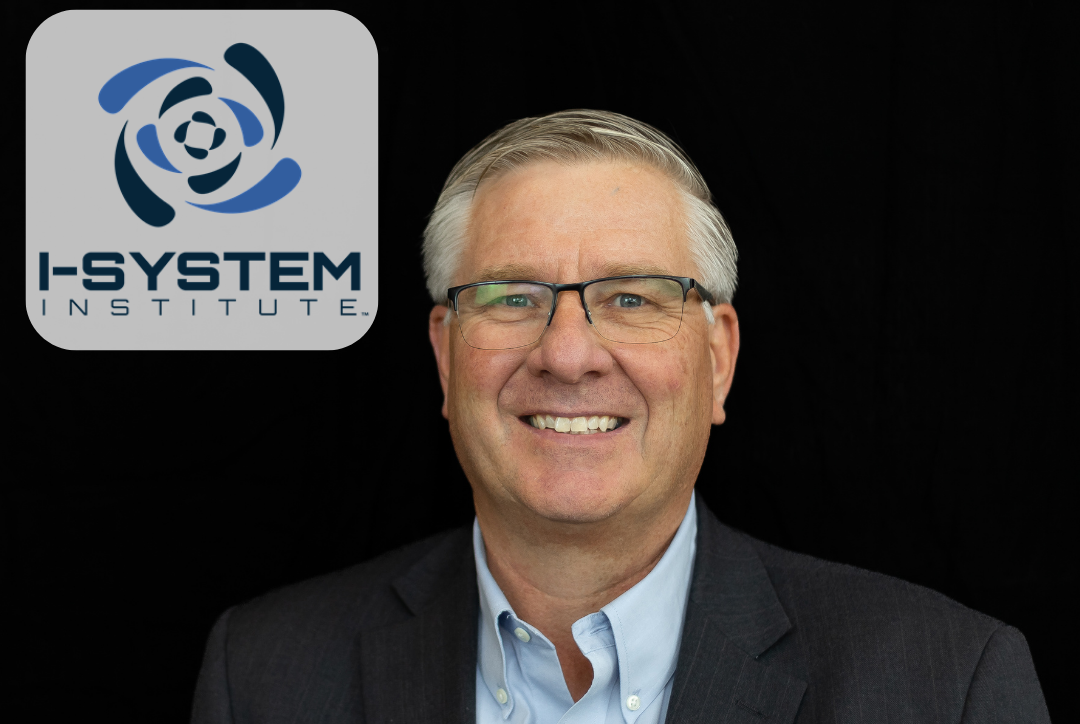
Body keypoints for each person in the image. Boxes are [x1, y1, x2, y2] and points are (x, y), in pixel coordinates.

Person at [190, 110, 1050, 723]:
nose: (568, 354)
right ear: (445, 356)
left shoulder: (948, 686)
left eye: (632, 298)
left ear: (718, 358)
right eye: (512, 297)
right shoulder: (263, 676)